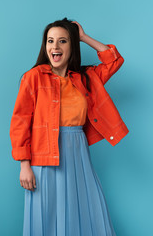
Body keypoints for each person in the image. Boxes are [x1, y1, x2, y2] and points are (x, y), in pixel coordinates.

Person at [9, 17, 129, 236]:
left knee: (84, 210)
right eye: (50, 41)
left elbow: (114, 60)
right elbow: (20, 121)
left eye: (63, 41)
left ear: (71, 46)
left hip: (78, 154)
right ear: (45, 46)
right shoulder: (33, 77)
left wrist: (82, 36)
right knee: (45, 214)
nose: (55, 47)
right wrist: (24, 165)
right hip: (43, 156)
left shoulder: (86, 78)